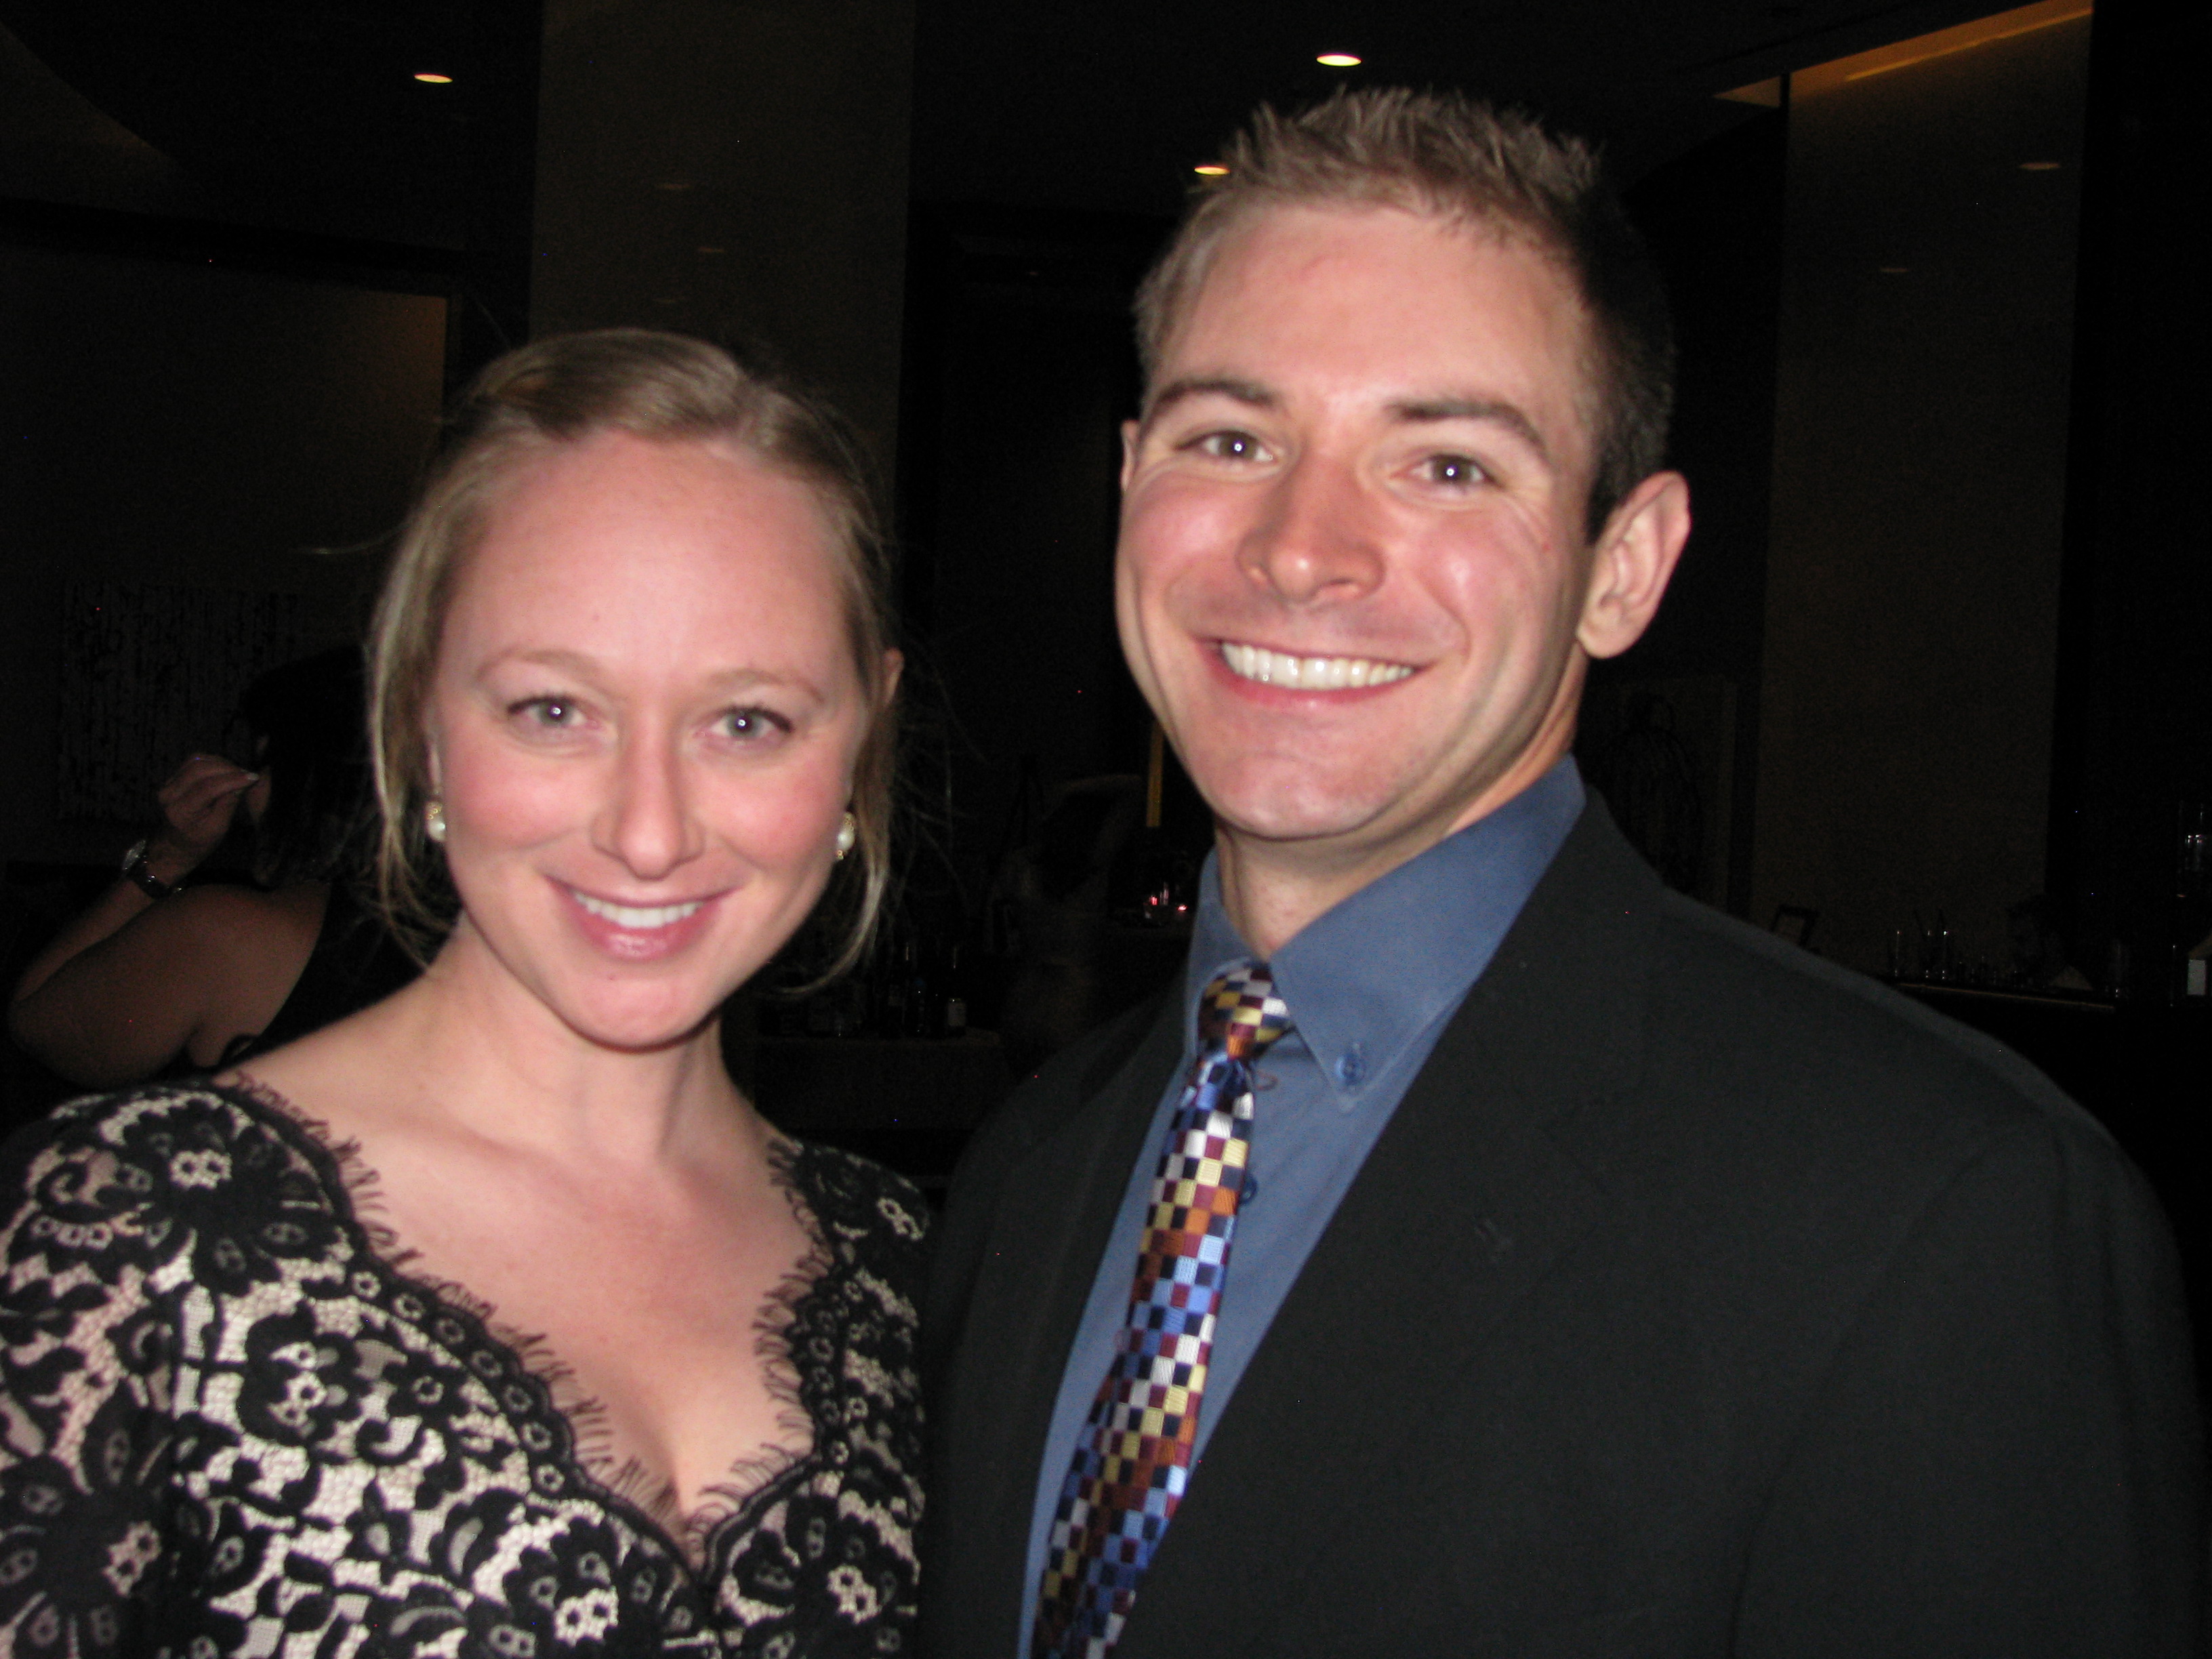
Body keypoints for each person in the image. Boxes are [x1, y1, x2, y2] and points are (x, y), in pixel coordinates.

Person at [921, 90, 2201, 1658]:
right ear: (1131, 482)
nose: (1301, 545)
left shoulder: (1939, 1217)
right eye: (1231, 437)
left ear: (1625, 566)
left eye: (1448, 464)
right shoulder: (1031, 1168)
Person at [0, 330, 925, 1654]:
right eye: (553, 709)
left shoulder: (914, 1271)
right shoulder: (125, 1234)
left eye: (747, 721)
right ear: (420, 713)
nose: (650, 831)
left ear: (861, 740)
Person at [7, 647, 410, 1086]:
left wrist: (167, 859)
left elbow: (38, 1025)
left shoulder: (233, 931)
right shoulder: (477, 921)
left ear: (304, 778)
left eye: (260, 765)